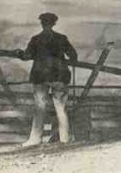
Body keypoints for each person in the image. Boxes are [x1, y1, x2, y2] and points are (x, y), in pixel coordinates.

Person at [16, 12, 77, 146]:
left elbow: (27, 56)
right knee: (61, 108)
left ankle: (35, 139)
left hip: (40, 76)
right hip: (59, 76)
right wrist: (66, 61)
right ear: (54, 23)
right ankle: (65, 139)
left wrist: (19, 53)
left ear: (42, 23)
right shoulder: (62, 38)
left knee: (40, 108)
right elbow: (73, 56)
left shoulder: (36, 39)